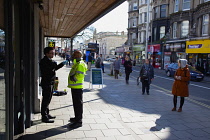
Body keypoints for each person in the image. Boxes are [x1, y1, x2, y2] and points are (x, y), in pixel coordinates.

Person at [40, 47, 67, 123]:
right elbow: (51, 69)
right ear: (46, 54)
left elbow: (54, 68)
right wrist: (58, 64)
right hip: (47, 83)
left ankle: (47, 113)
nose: (53, 54)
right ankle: (44, 117)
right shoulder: (44, 61)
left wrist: (60, 64)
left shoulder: (49, 60)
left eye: (53, 53)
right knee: (45, 100)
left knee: (48, 99)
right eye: (51, 53)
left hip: (50, 82)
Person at [67, 50, 87, 128]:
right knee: (76, 104)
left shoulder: (80, 64)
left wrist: (73, 78)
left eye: (74, 55)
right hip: (75, 86)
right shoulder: (77, 63)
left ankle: (79, 121)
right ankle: (76, 118)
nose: (73, 56)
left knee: (78, 104)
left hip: (77, 87)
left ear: (78, 55)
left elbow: (80, 75)